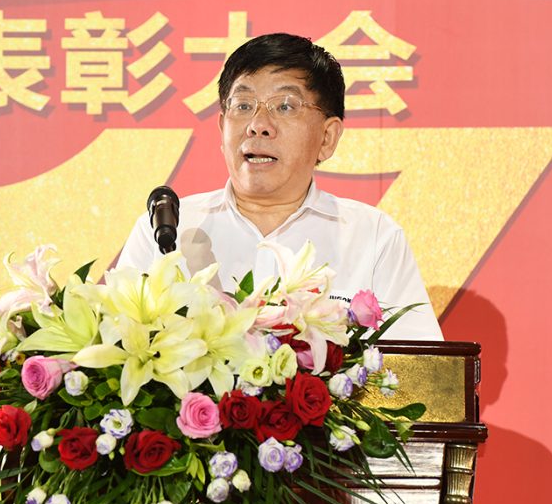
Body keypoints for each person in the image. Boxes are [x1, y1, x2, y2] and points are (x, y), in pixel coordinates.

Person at [118, 33, 442, 340]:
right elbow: (117, 346)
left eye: (285, 106)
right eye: (243, 105)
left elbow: (420, 367)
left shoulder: (373, 238)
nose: (258, 125)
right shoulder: (166, 230)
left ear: (327, 138)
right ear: (222, 127)